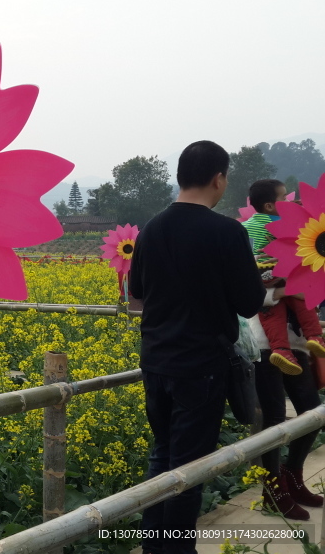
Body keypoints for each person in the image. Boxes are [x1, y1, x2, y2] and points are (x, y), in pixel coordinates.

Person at [129, 140, 266, 554]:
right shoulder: (227, 231)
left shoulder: (151, 228)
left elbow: (137, 292)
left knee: (163, 454)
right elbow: (249, 301)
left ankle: (155, 545)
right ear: (218, 178)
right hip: (201, 366)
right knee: (189, 467)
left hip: (155, 361)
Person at [241, 178, 325, 374]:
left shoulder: (248, 225)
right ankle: (314, 336)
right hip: (280, 267)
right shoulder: (281, 221)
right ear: (270, 205)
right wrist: (300, 210)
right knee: (301, 299)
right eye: (284, 197)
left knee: (271, 312)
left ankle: (280, 349)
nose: (288, 200)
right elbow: (302, 230)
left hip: (259, 273)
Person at [249, 303, 324, 520]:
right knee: (274, 418)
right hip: (265, 345)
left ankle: (292, 475)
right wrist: (282, 292)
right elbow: (254, 294)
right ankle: (273, 489)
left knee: (312, 415)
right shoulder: (263, 267)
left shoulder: (306, 266)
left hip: (297, 345)